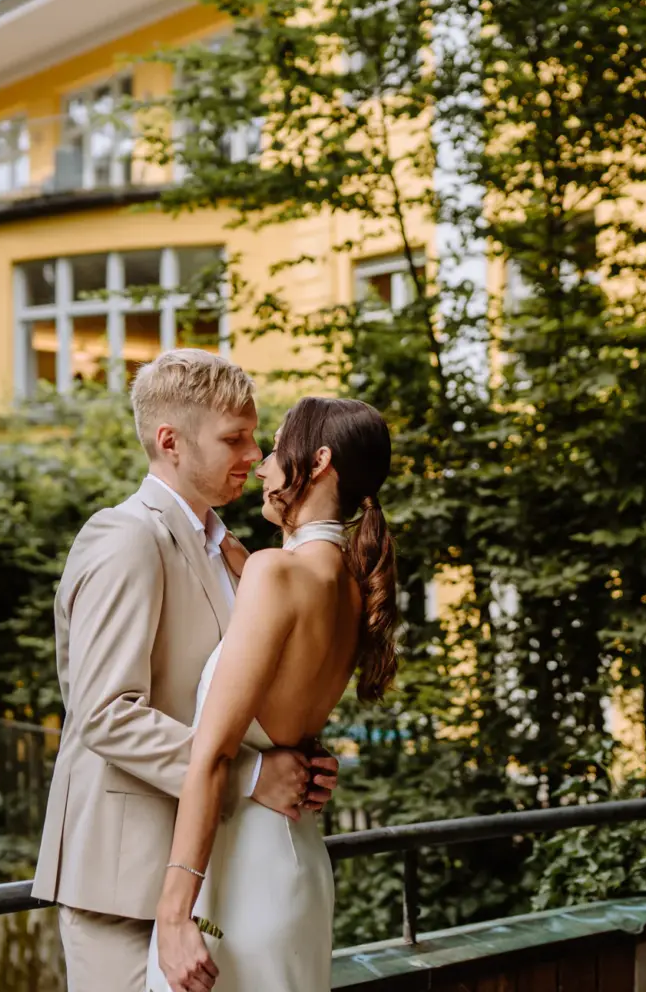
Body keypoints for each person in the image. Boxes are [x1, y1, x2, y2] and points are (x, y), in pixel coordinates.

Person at [32, 350, 341, 992]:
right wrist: (253, 775)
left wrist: (297, 758)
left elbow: (232, 700)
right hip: (124, 881)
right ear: (170, 442)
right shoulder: (124, 538)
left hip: (213, 872)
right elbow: (107, 715)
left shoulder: (236, 555)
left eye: (256, 436)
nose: (256, 456)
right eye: (235, 438)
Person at [148, 395, 398, 992]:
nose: (261, 465)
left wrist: (175, 913)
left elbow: (211, 755)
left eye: (277, 450)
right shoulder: (350, 590)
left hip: (236, 881)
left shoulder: (276, 574)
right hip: (297, 867)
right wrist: (235, 553)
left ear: (317, 462)